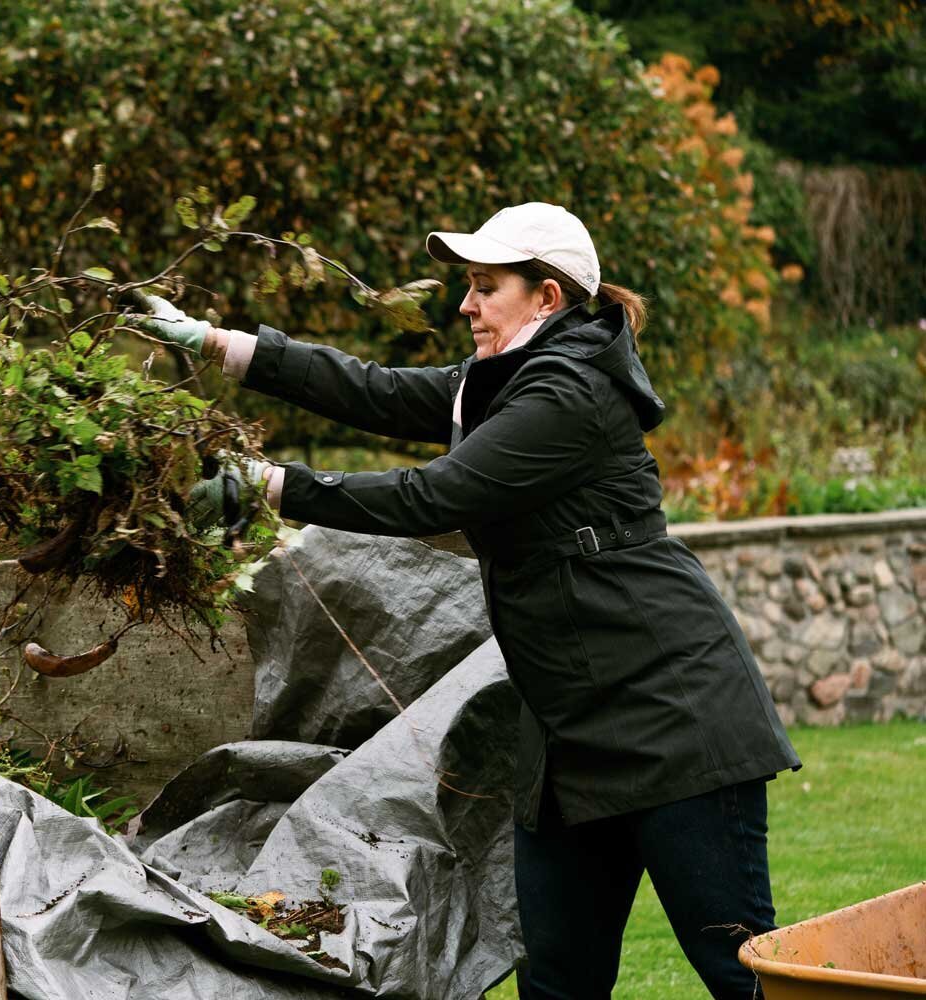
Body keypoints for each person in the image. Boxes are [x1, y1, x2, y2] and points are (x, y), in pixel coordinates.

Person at [132, 202, 801, 1000]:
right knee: (556, 984)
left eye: (486, 287)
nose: (465, 304)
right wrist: (219, 344)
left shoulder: (569, 393)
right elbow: (374, 391)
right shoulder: (504, 382)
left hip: (679, 723)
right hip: (567, 739)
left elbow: (433, 496)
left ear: (546, 298)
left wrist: (270, 486)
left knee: (741, 973)